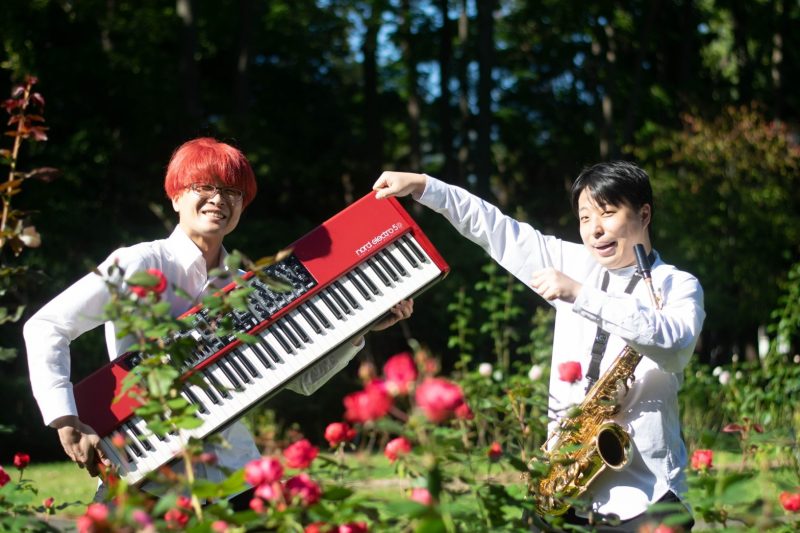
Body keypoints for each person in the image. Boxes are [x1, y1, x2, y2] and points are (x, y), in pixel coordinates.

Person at [23, 137, 413, 505]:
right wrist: (65, 417)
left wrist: (363, 326)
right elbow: (47, 326)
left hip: (234, 476)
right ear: (176, 197)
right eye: (204, 186)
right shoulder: (139, 263)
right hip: (151, 476)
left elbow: (301, 379)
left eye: (232, 191)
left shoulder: (245, 285)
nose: (219, 199)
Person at [372, 162, 704, 532]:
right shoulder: (574, 262)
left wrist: (581, 295)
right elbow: (495, 228)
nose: (594, 230)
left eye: (608, 213)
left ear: (644, 214)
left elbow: (676, 347)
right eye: (584, 218)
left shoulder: (677, 285)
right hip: (563, 487)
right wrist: (423, 185)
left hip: (646, 495)